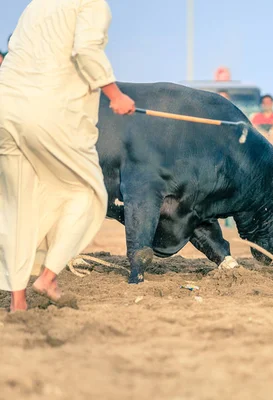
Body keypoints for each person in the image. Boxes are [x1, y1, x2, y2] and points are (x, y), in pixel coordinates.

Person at [0, 0, 135, 312]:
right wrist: (115, 95)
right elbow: (86, 50)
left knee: (18, 203)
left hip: (6, 106)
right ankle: (47, 277)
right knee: (87, 194)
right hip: (50, 111)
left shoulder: (37, 5)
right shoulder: (92, 4)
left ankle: (17, 302)